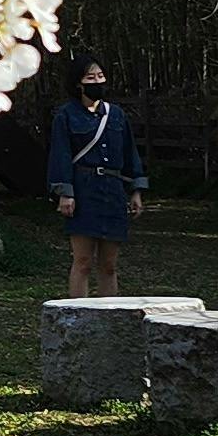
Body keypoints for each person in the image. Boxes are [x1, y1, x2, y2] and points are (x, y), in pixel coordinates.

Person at [47, 56, 148, 294]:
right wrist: (65, 193)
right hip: (84, 190)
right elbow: (60, 155)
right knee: (82, 262)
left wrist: (136, 190)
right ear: (78, 83)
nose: (97, 82)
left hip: (113, 191)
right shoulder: (66, 115)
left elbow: (130, 153)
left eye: (100, 76)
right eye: (90, 77)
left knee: (109, 265)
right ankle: (77, 312)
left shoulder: (116, 115)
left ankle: (109, 311)